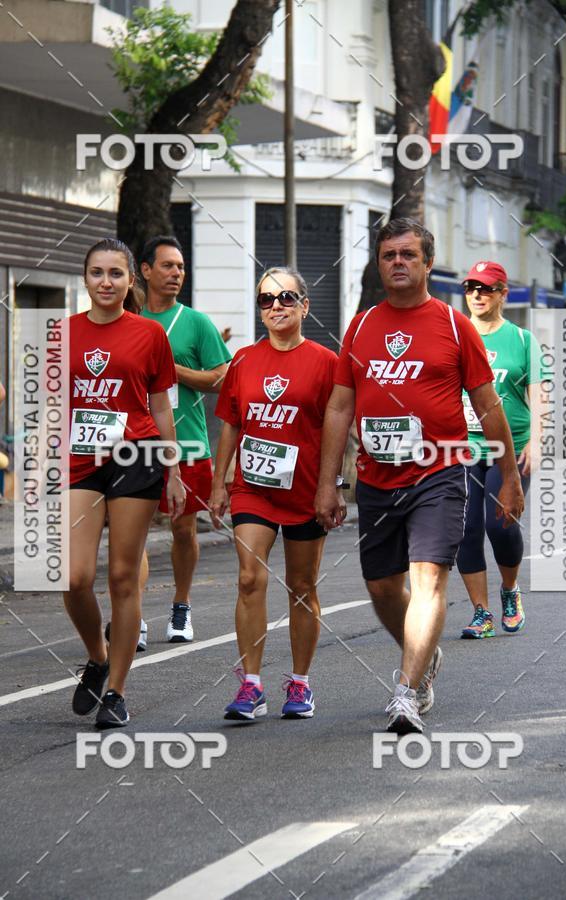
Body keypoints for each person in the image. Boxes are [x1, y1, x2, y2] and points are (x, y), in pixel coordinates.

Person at [315, 218, 524, 735]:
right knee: (382, 588)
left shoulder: (453, 325)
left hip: (440, 472)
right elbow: (340, 407)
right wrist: (328, 483)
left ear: (428, 263)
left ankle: (407, 691)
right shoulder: (361, 326)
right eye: (389, 255)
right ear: (379, 263)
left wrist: (509, 476)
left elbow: (487, 404)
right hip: (377, 478)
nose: (398, 263)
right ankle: (424, 655)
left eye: (408, 254)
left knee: (428, 577)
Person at [208, 267, 339, 721]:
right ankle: (251, 685)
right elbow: (231, 423)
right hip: (253, 490)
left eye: (286, 298)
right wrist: (219, 482)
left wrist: (332, 487)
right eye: (266, 299)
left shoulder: (326, 362)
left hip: (305, 490)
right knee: (249, 578)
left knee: (302, 587)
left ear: (305, 305)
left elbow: (339, 426)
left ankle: (300, 683)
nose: (276, 306)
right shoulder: (244, 360)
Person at [67, 238, 185, 728]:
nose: (106, 282)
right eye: (97, 272)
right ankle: (97, 658)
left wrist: (174, 470)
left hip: (137, 456)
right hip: (79, 459)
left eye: (116, 273)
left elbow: (161, 407)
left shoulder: (149, 334)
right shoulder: (62, 333)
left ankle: (115, 691)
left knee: (121, 575)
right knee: (73, 576)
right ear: (85, 278)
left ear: (130, 280)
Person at [139, 236, 231, 642]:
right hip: (136, 443)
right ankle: (133, 614)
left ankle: (181, 605)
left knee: (183, 530)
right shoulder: (130, 320)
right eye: (167, 265)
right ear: (145, 270)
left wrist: (171, 370)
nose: (176, 273)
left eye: (180, 266)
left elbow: (222, 378)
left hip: (188, 443)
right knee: (133, 533)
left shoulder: (196, 323)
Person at [458, 261, 542, 638]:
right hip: (463, 447)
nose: (477, 294)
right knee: (466, 528)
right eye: (471, 287)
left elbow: (539, 396)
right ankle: (482, 612)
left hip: (510, 448)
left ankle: (510, 589)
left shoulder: (522, 340)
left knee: (500, 524)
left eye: (486, 288)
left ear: (503, 294)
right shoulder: (455, 334)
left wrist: (536, 442)